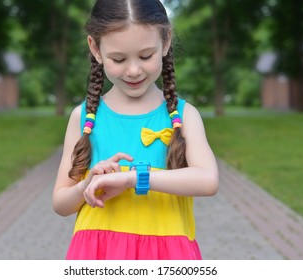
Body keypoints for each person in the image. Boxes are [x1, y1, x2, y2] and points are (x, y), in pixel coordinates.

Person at [52, 0, 219, 260]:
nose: (133, 70)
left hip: (167, 255)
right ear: (95, 49)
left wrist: (132, 178)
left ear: (165, 42)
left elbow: (208, 180)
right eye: (118, 59)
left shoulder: (185, 116)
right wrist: (87, 183)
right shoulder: (83, 117)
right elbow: (60, 203)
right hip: (98, 255)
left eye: (145, 56)